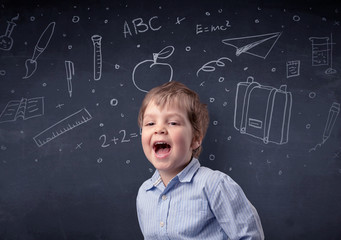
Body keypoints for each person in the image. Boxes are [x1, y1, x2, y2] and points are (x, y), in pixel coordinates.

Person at [136, 81, 264, 240]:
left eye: (173, 122)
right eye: (150, 123)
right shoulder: (144, 193)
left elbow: (249, 237)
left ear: (195, 139)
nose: (159, 129)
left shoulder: (215, 185)